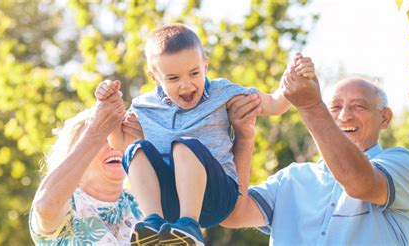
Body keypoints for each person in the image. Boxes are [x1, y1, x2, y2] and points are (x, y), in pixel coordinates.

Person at [94, 24, 315, 245]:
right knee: (137, 150)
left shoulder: (222, 93)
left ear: (205, 66)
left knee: (184, 146)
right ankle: (153, 223)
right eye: (173, 78)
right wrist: (110, 108)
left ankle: (189, 226)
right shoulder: (144, 107)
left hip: (217, 197)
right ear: (155, 78)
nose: (186, 84)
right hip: (169, 203)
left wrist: (294, 78)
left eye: (194, 73)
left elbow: (275, 105)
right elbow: (123, 148)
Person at [222, 71, 409, 245]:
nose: (344, 116)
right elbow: (233, 215)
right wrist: (245, 138)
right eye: (334, 107)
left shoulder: (401, 163)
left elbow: (360, 183)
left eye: (359, 106)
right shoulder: (290, 178)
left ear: (385, 118)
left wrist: (311, 105)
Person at [29, 91, 144, 245]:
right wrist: (96, 131)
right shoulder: (70, 203)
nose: (113, 147)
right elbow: (45, 206)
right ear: (76, 151)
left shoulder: (142, 203)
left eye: (118, 137)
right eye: (104, 139)